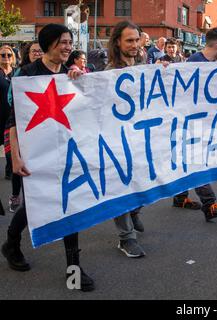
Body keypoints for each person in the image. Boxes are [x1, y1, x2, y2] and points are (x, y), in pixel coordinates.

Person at [1, 23, 94, 292]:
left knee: (70, 204)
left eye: (69, 42)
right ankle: (11, 243)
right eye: (62, 42)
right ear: (48, 44)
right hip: (36, 153)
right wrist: (15, 157)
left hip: (66, 153)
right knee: (34, 205)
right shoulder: (27, 75)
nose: (67, 47)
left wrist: (81, 80)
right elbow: (14, 120)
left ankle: (73, 270)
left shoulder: (70, 75)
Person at [173, 28, 217, 222]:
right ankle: (209, 205)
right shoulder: (194, 64)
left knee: (186, 161)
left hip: (202, 121)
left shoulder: (213, 64)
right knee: (197, 162)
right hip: (190, 122)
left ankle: (180, 197)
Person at [105, 21, 146, 258]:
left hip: (142, 139)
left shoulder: (144, 68)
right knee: (121, 187)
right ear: (118, 42)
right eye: (128, 40)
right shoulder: (109, 73)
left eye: (136, 39)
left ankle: (134, 211)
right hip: (117, 142)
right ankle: (126, 238)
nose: (133, 44)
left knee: (148, 182)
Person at [6, 41, 43, 213]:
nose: (37, 54)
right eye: (34, 51)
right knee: (18, 162)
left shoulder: (50, 73)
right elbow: (10, 98)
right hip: (22, 124)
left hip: (42, 127)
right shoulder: (22, 73)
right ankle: (15, 195)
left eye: (41, 51)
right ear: (28, 54)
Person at [0, 45, 17, 181]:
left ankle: (9, 170)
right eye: (3, 55)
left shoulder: (18, 73)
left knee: (11, 148)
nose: (6, 57)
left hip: (12, 117)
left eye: (9, 55)